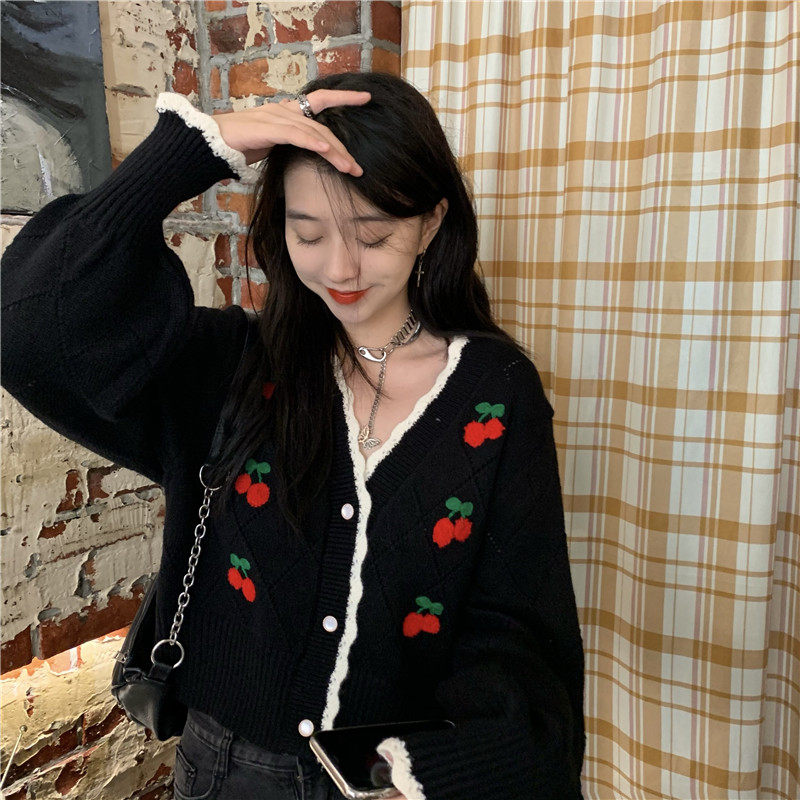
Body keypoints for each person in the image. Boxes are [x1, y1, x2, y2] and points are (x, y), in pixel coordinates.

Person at [0, 70, 586, 800]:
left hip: (394, 782)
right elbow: (29, 328)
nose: (339, 268)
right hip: (225, 776)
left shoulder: (496, 393)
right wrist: (199, 145)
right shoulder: (231, 370)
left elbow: (519, 626)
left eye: (374, 235)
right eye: (308, 232)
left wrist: (432, 769)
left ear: (431, 224)